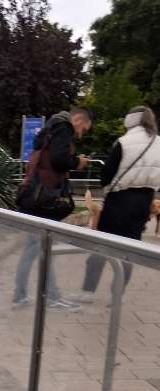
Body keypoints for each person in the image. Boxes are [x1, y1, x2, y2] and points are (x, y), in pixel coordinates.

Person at [74, 106, 160, 302]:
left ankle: (88, 291)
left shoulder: (124, 142)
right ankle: (116, 295)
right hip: (144, 202)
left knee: (101, 246)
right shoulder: (159, 144)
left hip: (119, 201)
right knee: (129, 249)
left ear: (131, 120)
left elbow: (106, 177)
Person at [13, 108, 93, 310]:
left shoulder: (49, 129)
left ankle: (21, 295)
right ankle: (51, 297)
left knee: (33, 250)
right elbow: (59, 160)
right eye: (83, 128)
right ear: (77, 119)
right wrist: (78, 162)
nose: (81, 134)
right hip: (43, 199)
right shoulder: (63, 128)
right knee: (43, 248)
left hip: (32, 196)